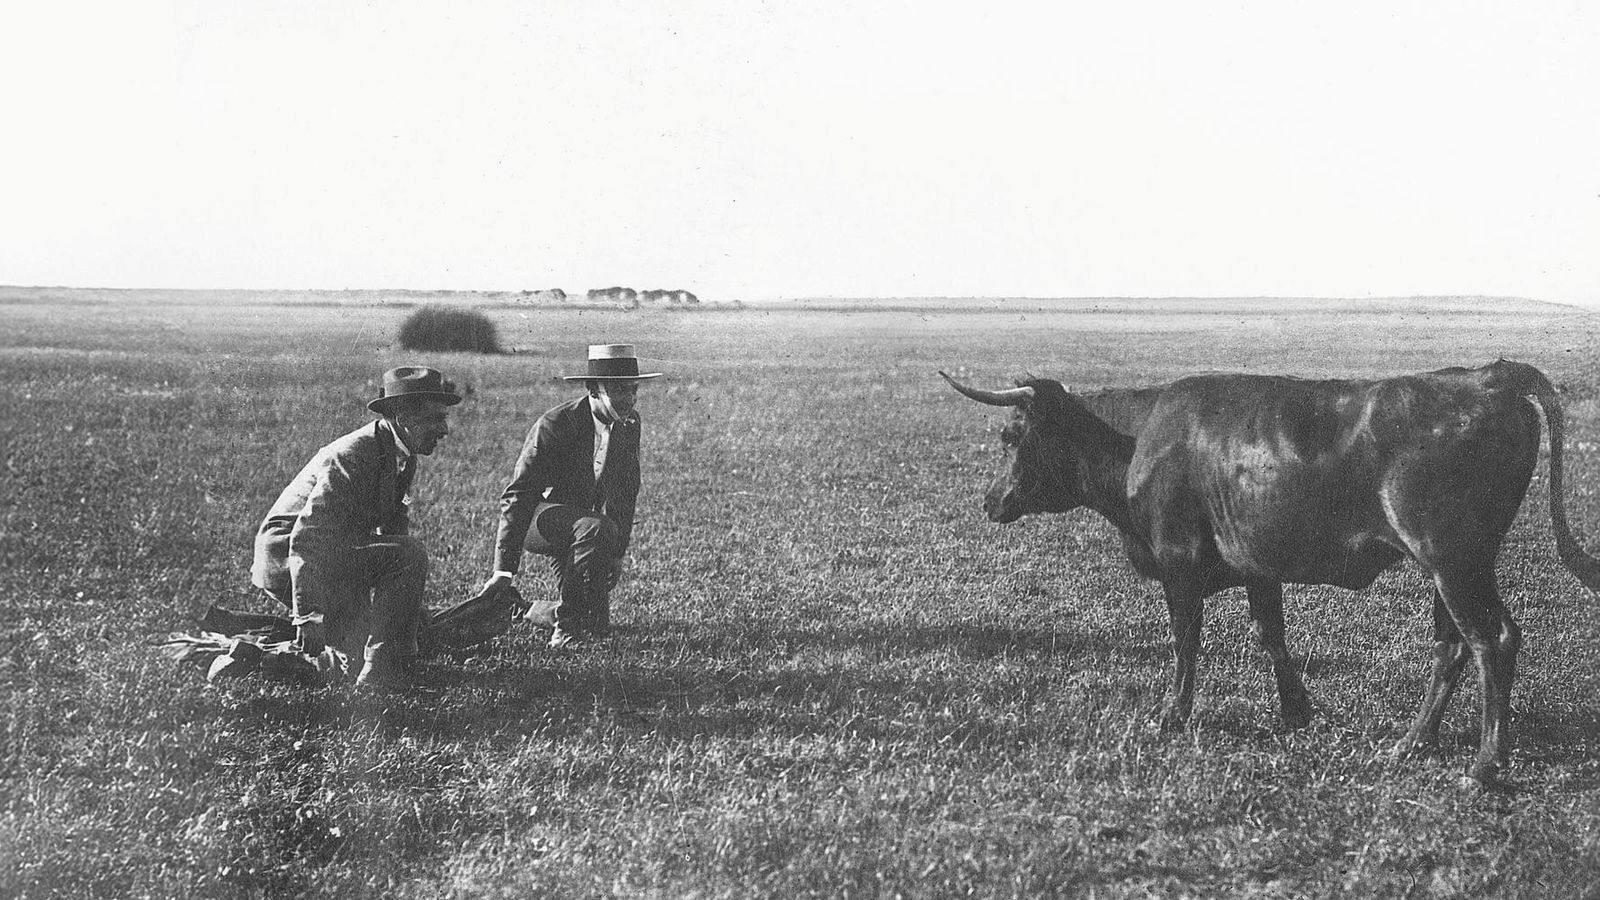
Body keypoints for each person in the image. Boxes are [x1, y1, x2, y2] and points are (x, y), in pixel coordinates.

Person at [250, 366, 460, 690]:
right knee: (410, 555)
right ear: (403, 417)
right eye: (434, 419)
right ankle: (382, 675)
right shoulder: (355, 454)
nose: (444, 429)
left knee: (356, 654)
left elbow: (393, 527)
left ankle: (368, 662)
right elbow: (309, 535)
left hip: (334, 554)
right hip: (290, 561)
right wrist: (309, 613)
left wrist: (404, 608)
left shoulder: (401, 451)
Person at [482, 344, 660, 648]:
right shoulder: (556, 425)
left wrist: (616, 553)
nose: (629, 399)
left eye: (634, 389)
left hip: (583, 526)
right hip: (541, 521)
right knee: (596, 528)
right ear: (592, 389)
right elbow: (519, 496)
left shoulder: (630, 424)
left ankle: (522, 609)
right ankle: (564, 632)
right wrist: (504, 571)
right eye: (619, 390)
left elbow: (625, 492)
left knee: (595, 624)